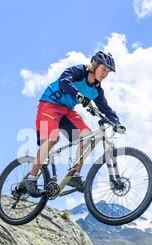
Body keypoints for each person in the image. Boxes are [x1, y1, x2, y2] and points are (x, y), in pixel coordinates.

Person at [24, 51, 125, 197]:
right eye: (104, 69)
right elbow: (65, 82)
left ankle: (74, 175)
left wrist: (116, 122)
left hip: (67, 111)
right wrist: (79, 95)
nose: (105, 74)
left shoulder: (96, 90)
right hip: (49, 105)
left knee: (87, 136)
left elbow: (105, 107)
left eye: (108, 72)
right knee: (52, 138)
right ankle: (31, 178)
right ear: (95, 66)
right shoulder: (78, 71)